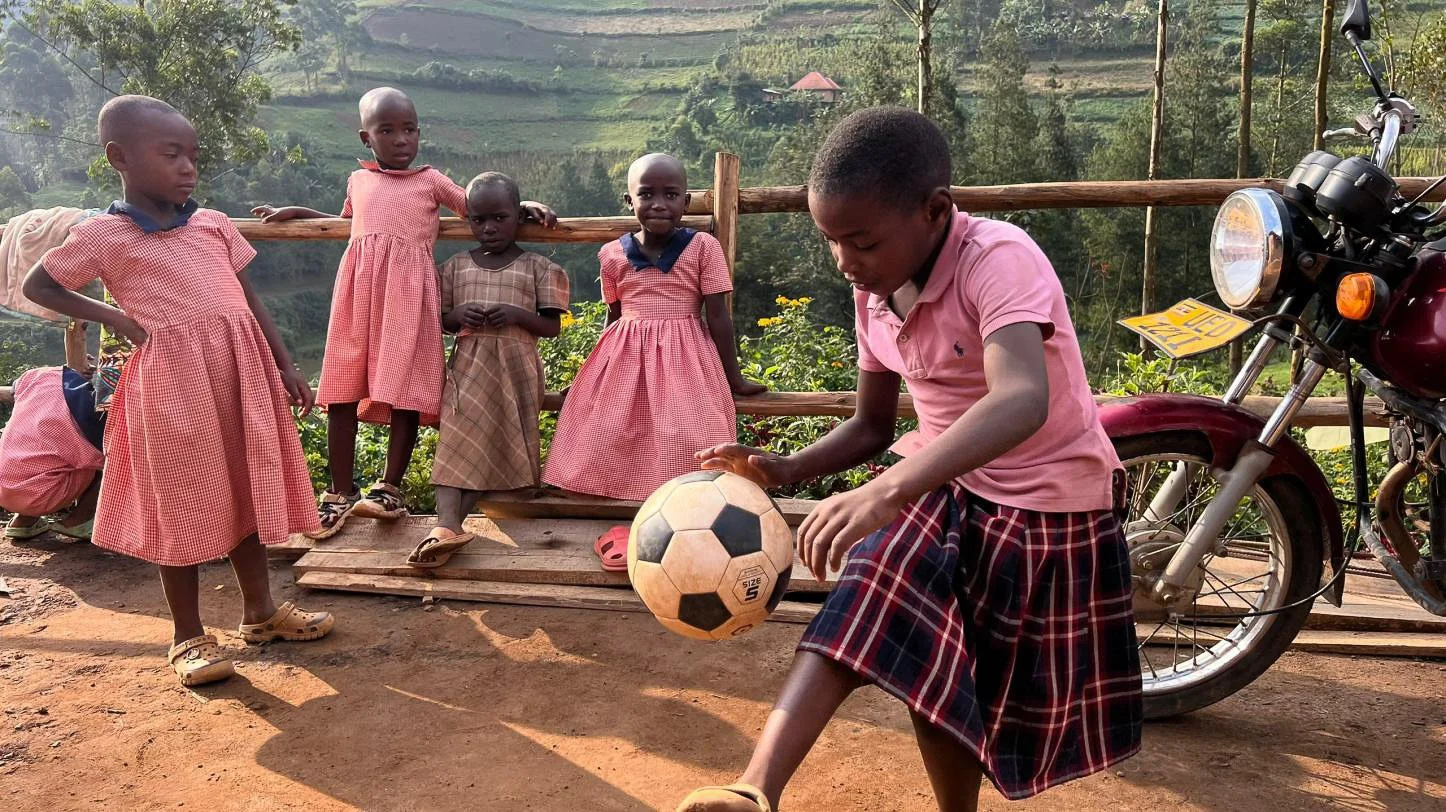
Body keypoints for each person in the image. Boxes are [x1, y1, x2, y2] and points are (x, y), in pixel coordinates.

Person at [683, 107, 1141, 811]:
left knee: (954, 680)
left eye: (862, 241)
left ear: (934, 211)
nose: (845, 261)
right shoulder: (873, 293)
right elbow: (872, 425)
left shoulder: (998, 258)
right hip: (942, 485)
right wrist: (786, 468)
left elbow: (1022, 398)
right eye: (832, 241)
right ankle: (754, 790)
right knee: (868, 596)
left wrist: (887, 491)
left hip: (1044, 503)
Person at [24, 95, 334, 687]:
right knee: (182, 502)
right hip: (171, 390)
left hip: (240, 378)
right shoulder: (104, 235)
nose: (188, 167)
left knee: (244, 488)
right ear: (119, 157)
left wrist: (285, 364)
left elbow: (248, 300)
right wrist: (114, 318)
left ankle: (261, 613)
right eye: (171, 155)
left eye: (193, 155)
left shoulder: (211, 223)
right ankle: (187, 636)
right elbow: (41, 285)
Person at [251, 87, 558, 537]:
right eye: (387, 131)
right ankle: (339, 493)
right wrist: (296, 211)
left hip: (409, 299)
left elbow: (479, 206)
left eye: (409, 129)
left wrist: (524, 205)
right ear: (366, 138)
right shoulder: (358, 181)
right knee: (342, 389)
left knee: (407, 390)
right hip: (357, 296)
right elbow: (349, 223)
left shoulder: (432, 181)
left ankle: (389, 489)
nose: (401, 139)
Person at [541, 153, 765, 570]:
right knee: (612, 432)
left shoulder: (703, 248)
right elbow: (613, 317)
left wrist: (733, 377)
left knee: (692, 434)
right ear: (629, 201)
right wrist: (588, 376)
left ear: (686, 201)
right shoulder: (612, 254)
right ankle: (633, 529)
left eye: (671, 194)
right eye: (646, 195)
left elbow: (718, 316)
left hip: (687, 355)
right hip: (624, 354)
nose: (659, 204)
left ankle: (690, 527)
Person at [407, 172, 570, 569]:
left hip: (516, 372)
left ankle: (448, 530)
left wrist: (516, 315)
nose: (489, 228)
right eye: (478, 220)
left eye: (499, 218)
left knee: (490, 446)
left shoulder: (537, 267)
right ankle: (445, 525)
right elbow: (440, 320)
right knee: (456, 443)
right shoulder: (454, 267)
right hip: (467, 369)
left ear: (518, 215)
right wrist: (457, 316)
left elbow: (551, 327)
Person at [0, 364, 104, 542]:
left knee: (35, 459)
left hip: (4, 492)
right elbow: (102, 458)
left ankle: (23, 522)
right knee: (107, 463)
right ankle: (78, 521)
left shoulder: (31, 399)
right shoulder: (75, 416)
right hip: (42, 496)